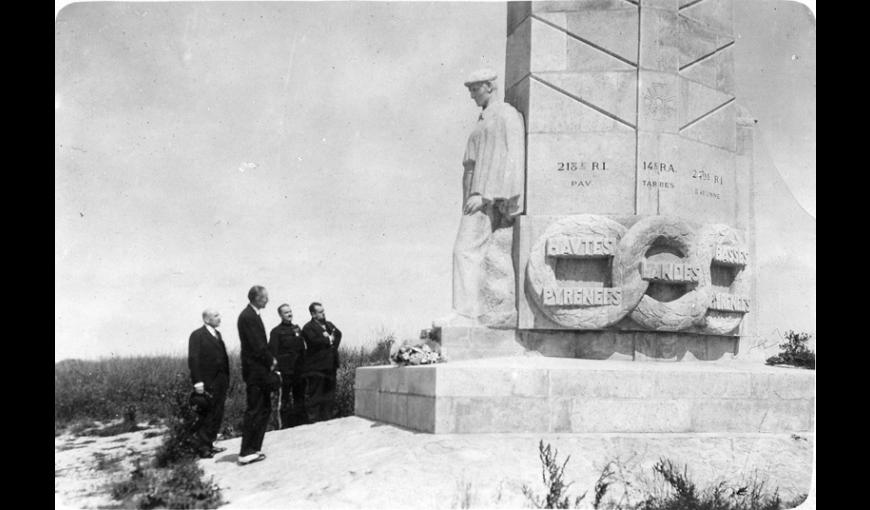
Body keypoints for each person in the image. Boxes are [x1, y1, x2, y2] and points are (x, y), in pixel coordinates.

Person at [440, 68, 526, 326]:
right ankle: (468, 310)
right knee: (468, 251)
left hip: (484, 197)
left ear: (490, 86)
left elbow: (512, 158)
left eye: (475, 89)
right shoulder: (485, 118)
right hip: (473, 193)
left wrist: (487, 196)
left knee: (464, 250)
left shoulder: (505, 115)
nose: (472, 95)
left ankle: (466, 312)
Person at [237, 285, 276, 465]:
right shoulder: (248, 317)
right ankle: (246, 451)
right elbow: (258, 345)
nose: (267, 300)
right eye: (265, 297)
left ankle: (254, 448)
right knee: (255, 409)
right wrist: (271, 360)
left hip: (259, 371)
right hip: (255, 372)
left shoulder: (252, 315)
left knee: (264, 408)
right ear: (256, 298)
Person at [187, 308, 230, 458]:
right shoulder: (197, 335)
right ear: (206, 319)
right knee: (207, 413)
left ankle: (210, 444)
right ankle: (203, 448)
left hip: (220, 381)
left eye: (219, 314)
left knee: (217, 412)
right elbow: (194, 359)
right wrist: (197, 382)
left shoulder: (217, 334)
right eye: (216, 315)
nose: (219, 318)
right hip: (207, 381)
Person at [268, 304, 308, 428]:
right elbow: (272, 352)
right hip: (285, 372)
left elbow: (302, 348)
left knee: (299, 399)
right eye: (286, 313)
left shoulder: (297, 329)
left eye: (290, 311)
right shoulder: (276, 332)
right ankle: (283, 427)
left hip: (298, 371)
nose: (289, 314)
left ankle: (300, 425)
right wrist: (276, 370)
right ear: (280, 315)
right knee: (284, 400)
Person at [301, 302, 342, 423]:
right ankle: (314, 424)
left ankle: (327, 421)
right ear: (313, 314)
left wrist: (332, 345)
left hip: (331, 366)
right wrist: (329, 340)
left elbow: (338, 334)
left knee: (329, 396)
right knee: (316, 397)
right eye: (320, 312)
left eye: (323, 311)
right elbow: (314, 341)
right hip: (317, 368)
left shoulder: (329, 325)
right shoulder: (308, 327)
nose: (323, 313)